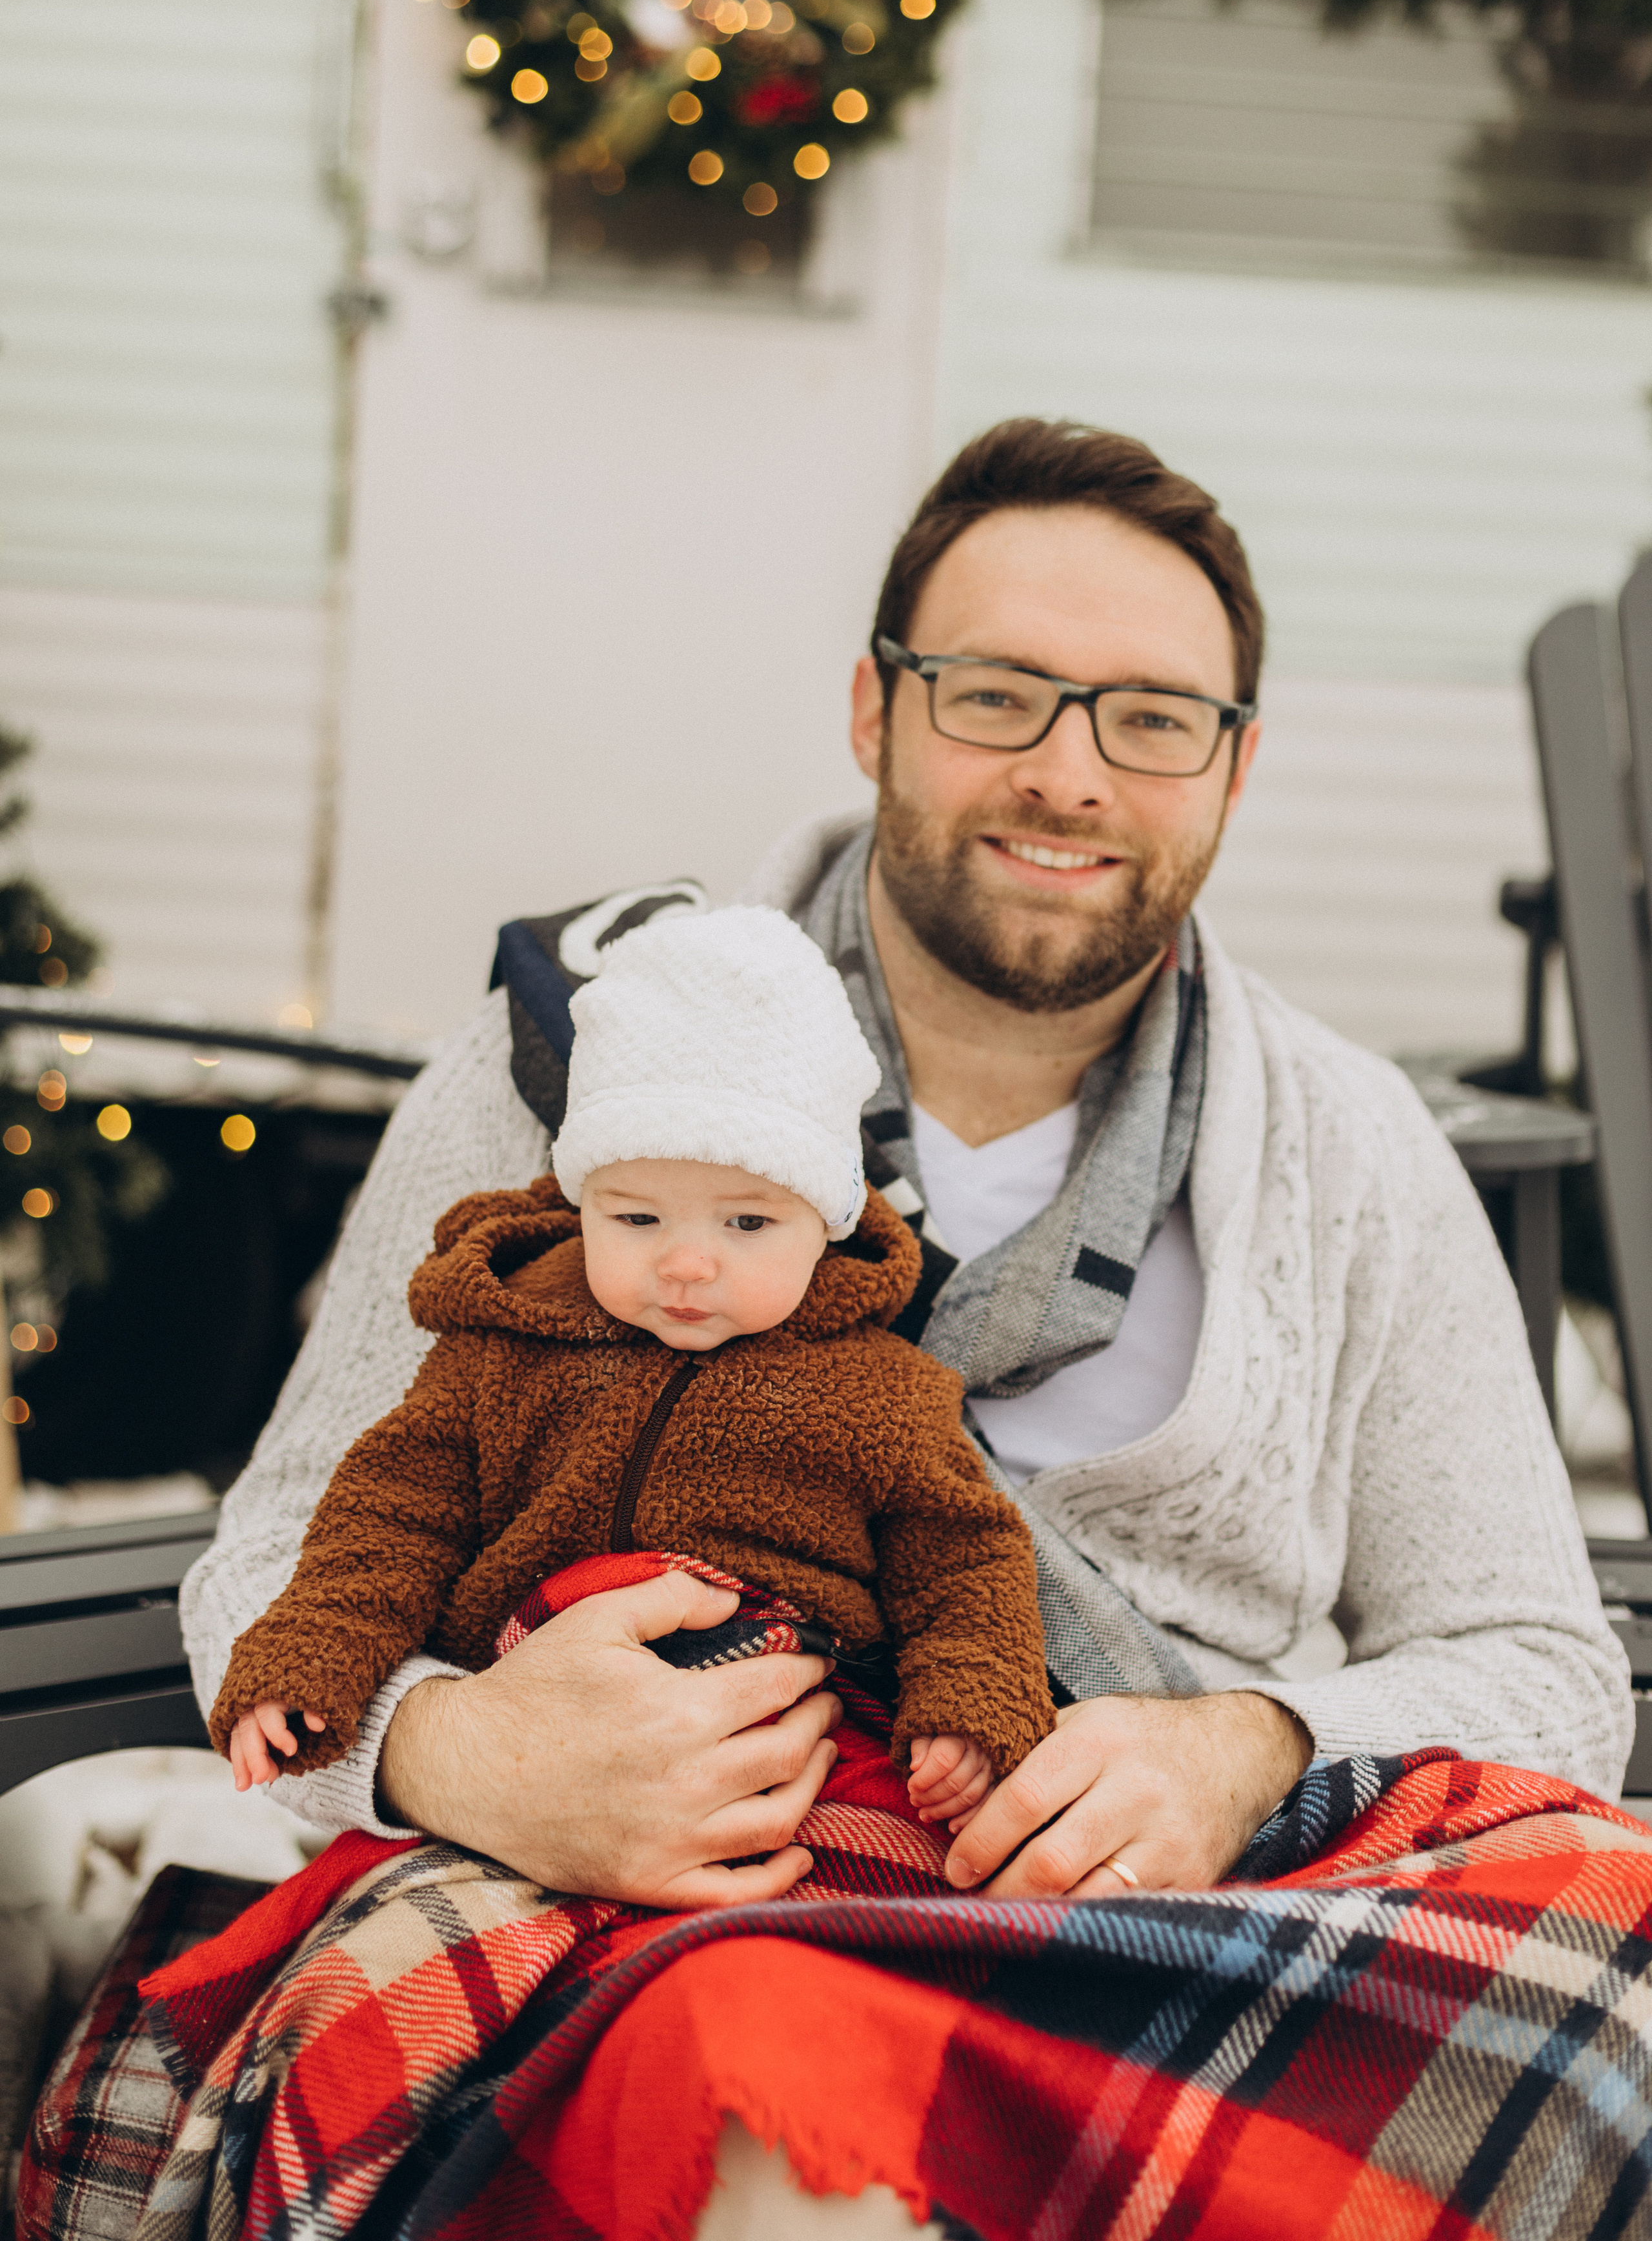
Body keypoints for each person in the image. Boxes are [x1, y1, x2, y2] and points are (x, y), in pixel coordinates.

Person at [183, 415, 1631, 1920]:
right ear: (875, 711)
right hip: (605, 1897)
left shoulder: (1349, 1148)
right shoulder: (574, 1057)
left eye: (1152, 720)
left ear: (1233, 766)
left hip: (1190, 1918)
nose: (1067, 776)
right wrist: (456, 1756)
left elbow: (1545, 1667)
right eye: (996, 696)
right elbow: (273, 1560)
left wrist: (1251, 1751)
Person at [213, 907, 1055, 1849]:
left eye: (747, 1224)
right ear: (583, 1204)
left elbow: (965, 1561)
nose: (686, 1264)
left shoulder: (882, 1394)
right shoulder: (507, 1344)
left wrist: (970, 1707)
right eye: (638, 1219)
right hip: (526, 1750)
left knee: (870, 1905)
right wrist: (310, 1658)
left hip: (796, 1754)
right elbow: (393, 1511)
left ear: (826, 1224)